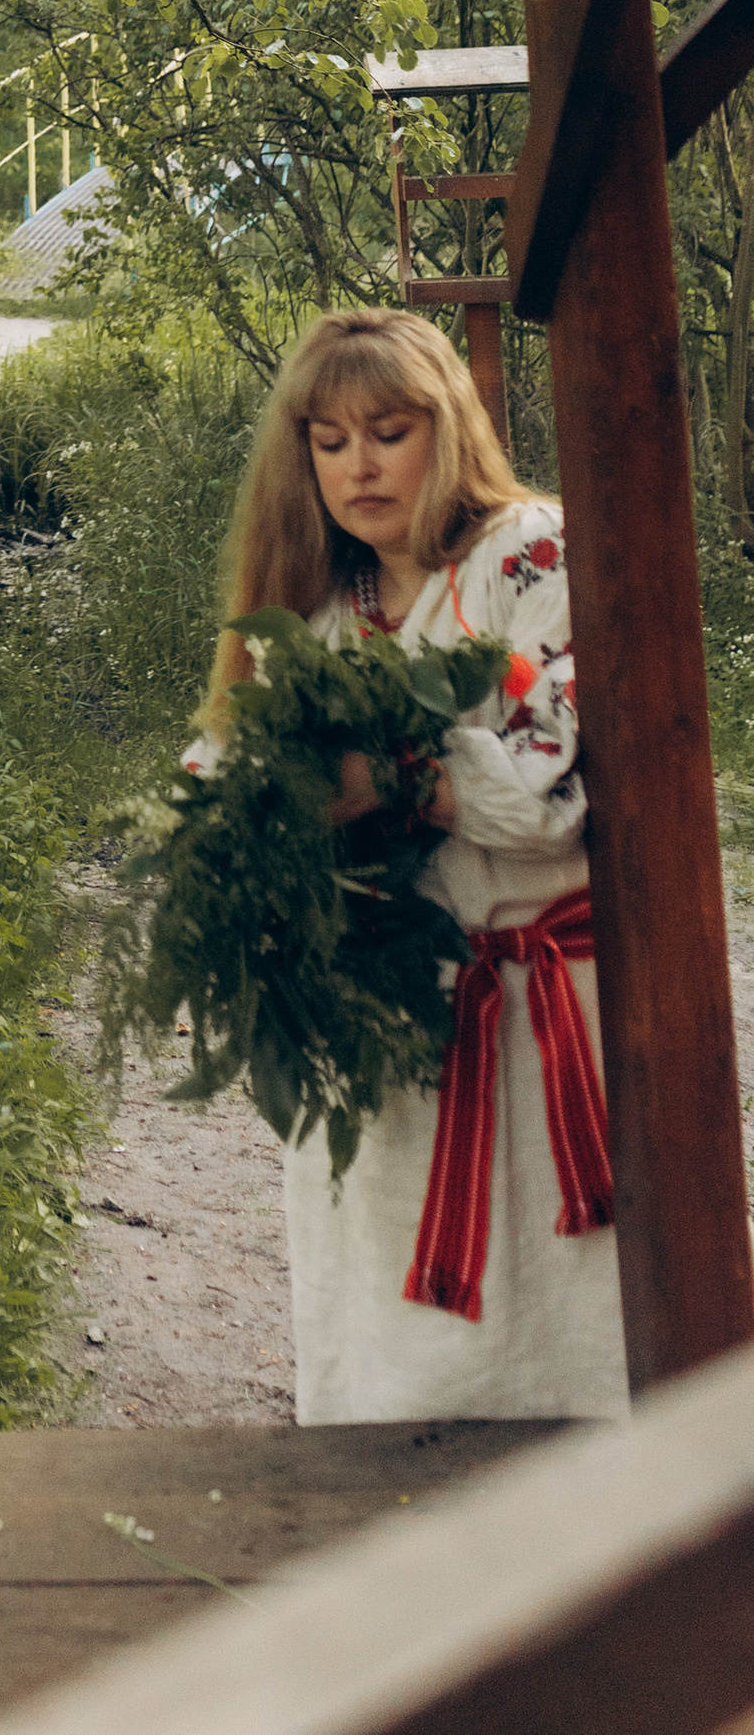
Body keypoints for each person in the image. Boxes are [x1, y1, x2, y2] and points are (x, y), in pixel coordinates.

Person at [192, 309, 623, 1424]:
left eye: (387, 430)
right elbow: (224, 773)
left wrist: (388, 781)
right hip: (387, 1012)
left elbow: (550, 795)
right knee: (395, 1332)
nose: (358, 465)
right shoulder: (320, 609)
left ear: (448, 425)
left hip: (541, 1009)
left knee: (565, 1310)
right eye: (327, 442)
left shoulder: (531, 552)